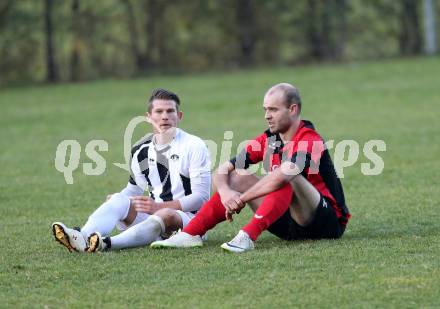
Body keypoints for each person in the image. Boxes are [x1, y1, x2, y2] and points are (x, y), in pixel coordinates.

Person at [151, 83, 350, 253]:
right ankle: (191, 233)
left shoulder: (310, 139)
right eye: (265, 109)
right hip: (289, 226)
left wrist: (241, 199)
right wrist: (227, 192)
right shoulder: (269, 139)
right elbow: (221, 171)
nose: (267, 116)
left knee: (288, 174)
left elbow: (283, 177)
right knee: (236, 176)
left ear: (293, 110)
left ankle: (247, 236)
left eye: (273, 110)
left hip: (326, 224)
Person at [52, 88, 211, 253]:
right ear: (149, 117)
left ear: (179, 116)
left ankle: (106, 243)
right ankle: (81, 238)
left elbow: (201, 198)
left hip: (190, 222)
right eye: (159, 111)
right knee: (119, 199)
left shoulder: (194, 145)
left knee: (166, 214)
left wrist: (158, 206)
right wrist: (116, 200)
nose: (165, 116)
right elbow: (134, 190)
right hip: (154, 217)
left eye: (170, 111)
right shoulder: (141, 151)